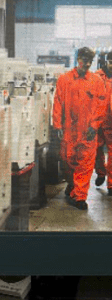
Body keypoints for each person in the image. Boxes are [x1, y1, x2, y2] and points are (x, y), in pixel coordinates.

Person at [52, 46, 107, 210]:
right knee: (68, 161)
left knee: (85, 164)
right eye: (85, 60)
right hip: (69, 130)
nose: (87, 64)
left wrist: (95, 125)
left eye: (90, 61)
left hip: (88, 131)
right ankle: (72, 186)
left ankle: (80, 197)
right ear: (78, 59)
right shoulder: (65, 79)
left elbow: (101, 104)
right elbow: (58, 102)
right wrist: (58, 125)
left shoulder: (97, 81)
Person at [93, 51, 112, 194]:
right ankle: (101, 172)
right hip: (98, 120)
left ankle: (111, 184)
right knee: (96, 149)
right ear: (106, 62)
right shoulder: (96, 76)